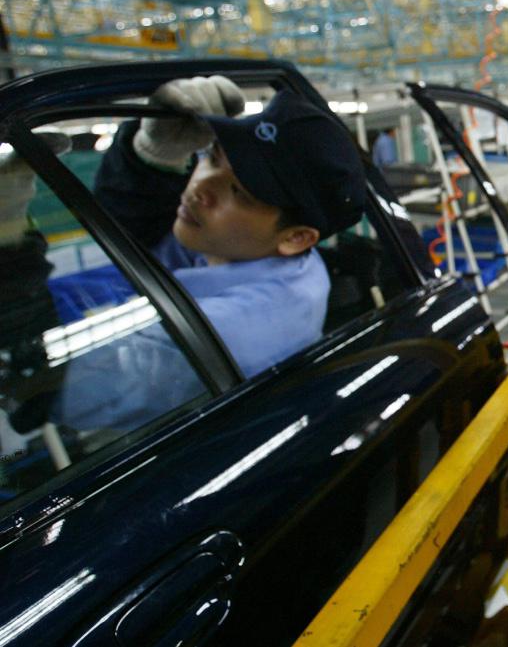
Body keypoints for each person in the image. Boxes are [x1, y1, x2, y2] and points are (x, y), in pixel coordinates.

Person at [3, 76, 367, 432]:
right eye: (213, 158)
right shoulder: (254, 250)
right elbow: (139, 244)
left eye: (239, 193)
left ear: (297, 237)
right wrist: (152, 159)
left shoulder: (226, 333)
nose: (199, 188)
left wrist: (7, 233)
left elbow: (37, 383)